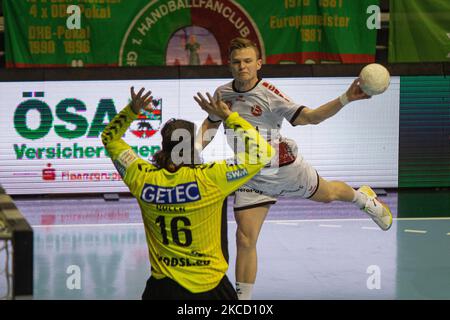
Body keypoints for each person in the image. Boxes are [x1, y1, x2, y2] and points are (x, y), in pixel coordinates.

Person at [195, 37, 393, 300]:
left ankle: (364, 199)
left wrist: (345, 98)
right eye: (237, 62)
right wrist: (196, 151)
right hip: (250, 176)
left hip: (283, 167)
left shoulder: (269, 95)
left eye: (248, 61)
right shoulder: (223, 94)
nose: (242, 66)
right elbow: (211, 124)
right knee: (244, 239)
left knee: (330, 194)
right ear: (230, 65)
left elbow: (311, 117)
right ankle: (243, 303)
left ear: (259, 64)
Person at [101, 86, 274, 300]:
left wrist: (132, 110)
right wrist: (228, 116)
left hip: (163, 289)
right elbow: (263, 153)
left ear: (163, 147)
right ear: (192, 147)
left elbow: (109, 137)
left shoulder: (141, 177)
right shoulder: (211, 178)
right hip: (211, 288)